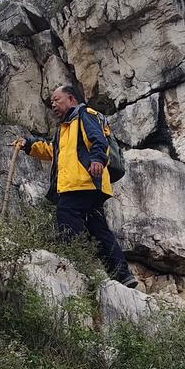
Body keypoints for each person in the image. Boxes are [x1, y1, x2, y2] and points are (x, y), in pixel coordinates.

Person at [15, 84, 138, 287]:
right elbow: (50, 150)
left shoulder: (84, 115)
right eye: (51, 102)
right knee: (98, 230)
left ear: (71, 99)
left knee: (66, 214)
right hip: (85, 185)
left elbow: (98, 139)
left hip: (83, 181)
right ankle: (123, 275)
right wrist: (28, 145)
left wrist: (98, 159)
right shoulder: (64, 129)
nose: (53, 104)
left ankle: (75, 262)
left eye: (57, 99)